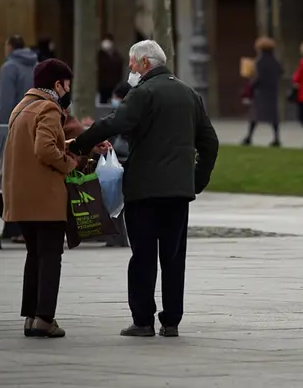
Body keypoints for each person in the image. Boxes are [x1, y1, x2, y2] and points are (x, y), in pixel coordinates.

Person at [66, 40, 220, 338]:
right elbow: (210, 143)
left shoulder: (143, 92)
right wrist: (196, 180)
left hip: (144, 191)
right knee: (174, 257)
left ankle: (143, 320)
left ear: (145, 63)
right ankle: (172, 321)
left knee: (143, 256)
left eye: (132, 64)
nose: (130, 69)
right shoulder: (189, 94)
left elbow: (116, 122)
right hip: (178, 192)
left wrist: (81, 143)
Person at [1, 59, 79, 339]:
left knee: (34, 255)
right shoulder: (48, 107)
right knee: (50, 257)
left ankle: (31, 317)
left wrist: (65, 144)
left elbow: (37, 143)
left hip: (20, 196)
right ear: (57, 84)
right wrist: (69, 163)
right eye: (67, 85)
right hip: (44, 198)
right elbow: (45, 148)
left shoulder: (22, 107)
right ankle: (45, 318)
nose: (69, 90)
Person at [242, 37, 283, 147]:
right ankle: (276, 138)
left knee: (254, 115)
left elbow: (258, 77)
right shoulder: (275, 61)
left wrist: (251, 85)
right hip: (272, 91)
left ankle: (249, 137)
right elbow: (280, 72)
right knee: (273, 117)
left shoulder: (259, 62)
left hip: (261, 92)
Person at [0, 35, 38, 124]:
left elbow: (6, 102)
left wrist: (1, 126)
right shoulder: (38, 66)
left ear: (9, 47)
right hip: (37, 123)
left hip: (17, 125)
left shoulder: (9, 68)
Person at [98, 33, 125, 105]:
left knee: (114, 105)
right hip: (103, 86)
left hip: (114, 85)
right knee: (103, 104)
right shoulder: (100, 55)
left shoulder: (116, 55)